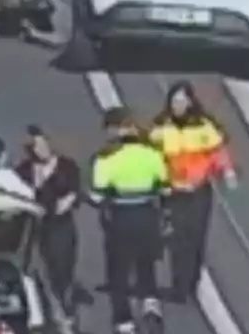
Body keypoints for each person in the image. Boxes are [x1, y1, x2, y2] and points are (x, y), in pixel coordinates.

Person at [149, 82, 237, 301]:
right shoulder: (160, 129)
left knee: (196, 238)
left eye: (181, 100)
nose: (178, 104)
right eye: (174, 100)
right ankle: (179, 287)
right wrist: (163, 184)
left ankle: (191, 285)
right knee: (177, 239)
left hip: (199, 191)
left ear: (190, 101)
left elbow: (218, 152)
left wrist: (227, 171)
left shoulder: (204, 128)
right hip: (173, 192)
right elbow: (152, 160)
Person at [91, 107, 169, 334]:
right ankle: (151, 304)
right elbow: (164, 189)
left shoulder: (105, 159)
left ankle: (124, 320)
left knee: (118, 272)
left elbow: (98, 195)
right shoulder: (153, 155)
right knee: (146, 262)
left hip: (120, 218)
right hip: (147, 215)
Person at [15, 126, 81, 330]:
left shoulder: (67, 166)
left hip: (61, 226)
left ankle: (66, 311)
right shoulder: (25, 170)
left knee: (62, 268)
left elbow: (74, 192)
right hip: (37, 225)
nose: (41, 149)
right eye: (36, 146)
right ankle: (51, 312)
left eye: (43, 144)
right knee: (37, 270)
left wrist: (69, 200)